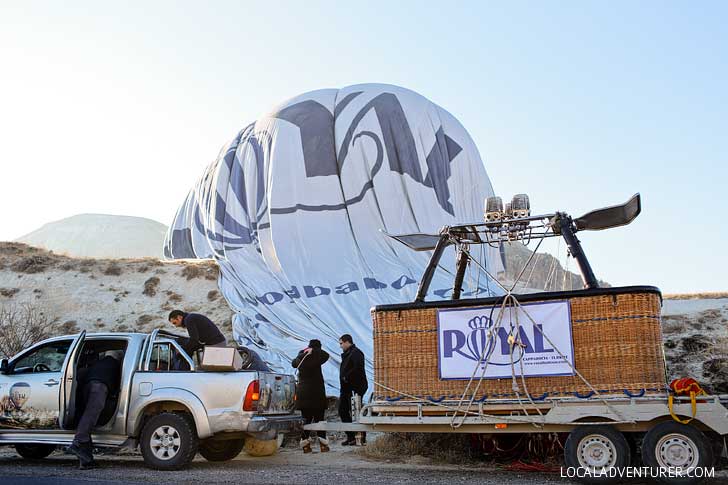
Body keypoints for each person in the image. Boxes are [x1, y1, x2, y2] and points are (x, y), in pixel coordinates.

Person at [66, 351, 122, 469]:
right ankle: (78, 441)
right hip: (100, 387)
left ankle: (86, 461)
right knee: (91, 415)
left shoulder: (98, 363)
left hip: (88, 385)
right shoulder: (116, 365)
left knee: (87, 416)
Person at [291, 339, 330, 453]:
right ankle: (323, 445)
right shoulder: (317, 357)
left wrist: (304, 352)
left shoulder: (301, 358)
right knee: (320, 420)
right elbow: (326, 355)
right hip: (317, 393)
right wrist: (314, 350)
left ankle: (306, 445)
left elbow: (294, 363)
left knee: (306, 420)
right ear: (318, 347)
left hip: (303, 394)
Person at [338, 334, 368, 446]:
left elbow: (358, 368)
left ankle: (360, 437)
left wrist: (346, 377)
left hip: (355, 388)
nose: (340, 346)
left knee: (357, 412)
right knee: (343, 410)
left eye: (341, 343)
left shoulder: (356, 353)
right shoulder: (348, 354)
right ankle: (351, 436)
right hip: (346, 388)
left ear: (347, 342)